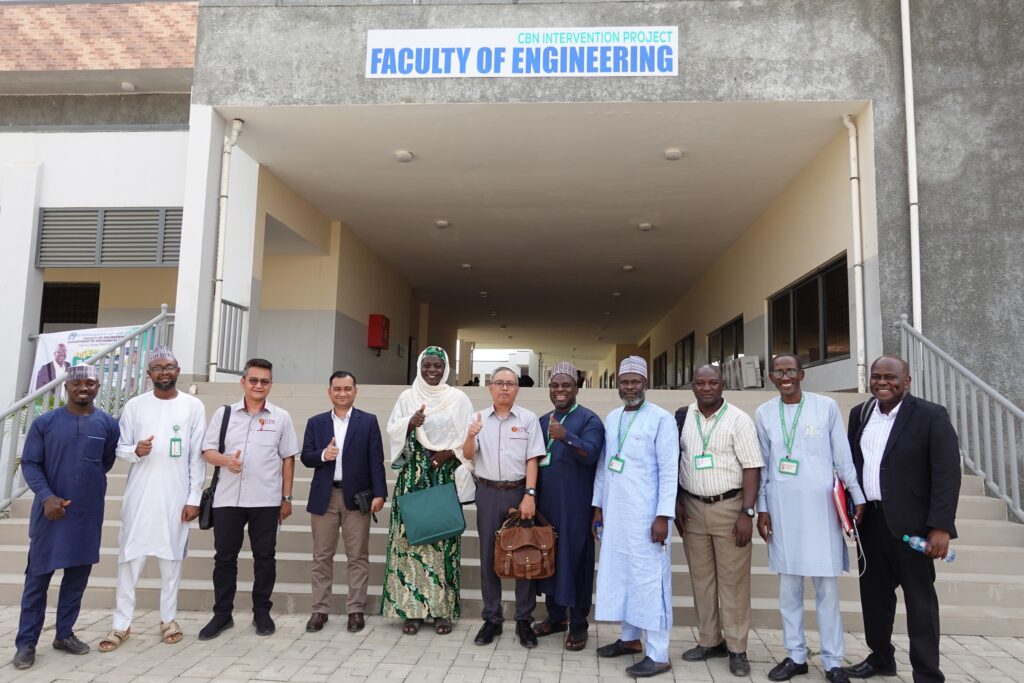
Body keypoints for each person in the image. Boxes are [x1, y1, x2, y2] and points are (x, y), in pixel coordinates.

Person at [842, 356, 960, 683]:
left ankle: (927, 673)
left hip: (914, 526)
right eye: (876, 376)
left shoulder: (931, 415)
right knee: (874, 599)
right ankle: (881, 659)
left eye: (891, 377)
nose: (882, 382)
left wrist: (941, 527)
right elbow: (853, 464)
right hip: (870, 523)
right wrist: (852, 504)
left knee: (920, 603)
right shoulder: (860, 413)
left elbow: (947, 474)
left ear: (906, 381)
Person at [755, 354, 864, 683]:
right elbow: (763, 465)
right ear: (771, 378)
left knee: (826, 589)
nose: (785, 377)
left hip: (822, 511)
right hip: (783, 510)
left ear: (801, 374)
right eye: (778, 372)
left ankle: (833, 661)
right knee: (789, 589)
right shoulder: (764, 413)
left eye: (790, 371)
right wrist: (762, 507)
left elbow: (842, 456)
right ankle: (795, 655)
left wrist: (857, 495)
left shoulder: (825, 407)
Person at [98, 347, 206, 652]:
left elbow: (197, 456)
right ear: (149, 374)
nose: (164, 372)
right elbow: (120, 448)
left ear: (178, 370)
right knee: (129, 559)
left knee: (172, 560)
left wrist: (194, 497)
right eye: (157, 368)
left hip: (176, 496)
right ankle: (121, 624)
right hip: (140, 496)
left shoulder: (193, 406)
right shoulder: (135, 405)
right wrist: (136, 451)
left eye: (169, 366)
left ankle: (168, 619)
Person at [12, 365, 118, 670]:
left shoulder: (108, 424)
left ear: (98, 387)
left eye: (90, 383)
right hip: (50, 515)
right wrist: (47, 497)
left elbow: (105, 462)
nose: (83, 387)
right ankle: (26, 643)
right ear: (66, 387)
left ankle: (64, 634)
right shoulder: (45, 423)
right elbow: (30, 463)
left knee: (76, 579)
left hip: (87, 515)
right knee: (37, 580)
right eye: (77, 383)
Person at [198, 358, 298, 640]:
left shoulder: (281, 417)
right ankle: (222, 615)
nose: (258, 385)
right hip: (227, 499)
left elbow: (288, 459)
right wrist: (226, 461)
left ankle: (262, 612)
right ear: (243, 382)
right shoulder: (224, 414)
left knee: (265, 558)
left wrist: (286, 497)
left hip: (266, 500)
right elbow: (207, 451)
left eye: (264, 381)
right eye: (253, 380)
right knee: (224, 559)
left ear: (271, 385)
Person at [593, 356, 678, 678]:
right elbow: (604, 466)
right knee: (624, 576)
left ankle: (659, 654)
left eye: (635, 381)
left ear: (645, 383)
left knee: (650, 582)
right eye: (624, 382)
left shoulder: (661, 419)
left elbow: (669, 471)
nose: (629, 387)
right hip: (617, 515)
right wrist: (598, 507)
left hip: (648, 517)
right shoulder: (613, 417)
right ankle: (629, 639)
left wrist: (663, 515)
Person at [676, 364, 763, 676]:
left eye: (712, 382)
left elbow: (752, 467)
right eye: (700, 383)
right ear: (692, 386)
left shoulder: (739, 420)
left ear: (722, 384)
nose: (706, 388)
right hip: (692, 507)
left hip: (729, 507)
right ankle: (710, 640)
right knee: (701, 579)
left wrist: (747, 512)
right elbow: (676, 460)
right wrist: (676, 501)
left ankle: (737, 648)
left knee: (733, 581)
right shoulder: (683, 417)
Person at [381, 346, 473, 635]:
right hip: (412, 478)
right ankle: (411, 611)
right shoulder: (407, 397)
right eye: (427, 365)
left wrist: (449, 453)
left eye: (437, 365)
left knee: (444, 542)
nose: (432, 370)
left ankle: (442, 611)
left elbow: (469, 437)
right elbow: (393, 431)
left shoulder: (458, 399)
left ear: (445, 369)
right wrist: (410, 424)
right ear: (420, 367)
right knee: (410, 542)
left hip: (443, 477)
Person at [463, 366, 545, 648]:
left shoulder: (528, 419)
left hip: (518, 493)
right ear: (490, 387)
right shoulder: (477, 418)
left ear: (517, 389)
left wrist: (530, 494)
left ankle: (524, 619)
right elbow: (468, 455)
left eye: (510, 384)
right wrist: (470, 435)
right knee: (488, 555)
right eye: (499, 383)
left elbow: (532, 459)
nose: (505, 388)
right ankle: (492, 618)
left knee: (524, 554)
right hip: (487, 492)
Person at [301, 371, 387, 634]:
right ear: (329, 392)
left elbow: (376, 459)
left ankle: (356, 610)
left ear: (355, 391)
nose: (342, 393)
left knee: (357, 555)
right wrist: (323, 454)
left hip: (357, 498)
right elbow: (305, 457)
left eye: (347, 388)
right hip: (324, 497)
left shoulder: (368, 421)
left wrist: (380, 493)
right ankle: (320, 610)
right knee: (322, 556)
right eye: (337, 388)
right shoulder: (316, 422)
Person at [532, 361, 605, 651]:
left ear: (577, 388)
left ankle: (578, 624)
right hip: (546, 506)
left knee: (576, 564)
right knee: (550, 559)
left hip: (576, 506)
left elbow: (592, 454)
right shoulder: (542, 420)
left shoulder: (589, 420)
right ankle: (555, 617)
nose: (559, 390)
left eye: (566, 385)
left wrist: (567, 437)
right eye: (555, 385)